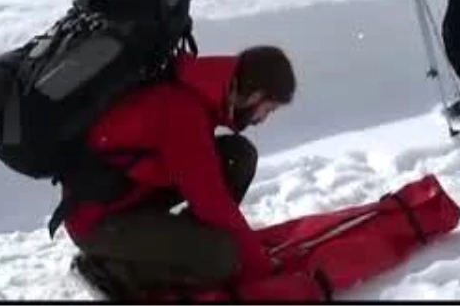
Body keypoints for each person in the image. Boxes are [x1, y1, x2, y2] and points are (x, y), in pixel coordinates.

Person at [65, 44, 297, 299]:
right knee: (224, 258)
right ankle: (107, 270)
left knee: (237, 156)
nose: (264, 119)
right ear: (255, 95)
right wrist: (259, 267)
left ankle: (186, 245)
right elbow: (212, 200)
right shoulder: (182, 110)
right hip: (96, 222)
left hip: (129, 195)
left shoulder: (197, 90)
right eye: (269, 108)